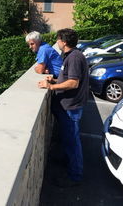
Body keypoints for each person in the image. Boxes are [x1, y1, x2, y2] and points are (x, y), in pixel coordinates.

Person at [38, 28, 89, 187]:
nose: (57, 42)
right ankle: (68, 162)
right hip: (68, 106)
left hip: (71, 108)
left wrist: (51, 87)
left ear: (64, 42)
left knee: (72, 142)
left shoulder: (74, 58)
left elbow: (74, 82)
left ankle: (75, 176)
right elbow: (66, 77)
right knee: (68, 139)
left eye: (58, 39)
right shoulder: (70, 55)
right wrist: (54, 80)